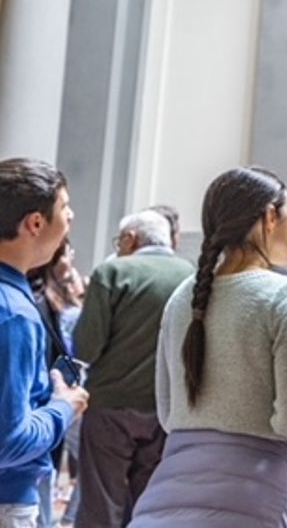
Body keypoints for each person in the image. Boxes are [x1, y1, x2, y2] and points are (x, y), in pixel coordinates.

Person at [129, 167, 287, 527]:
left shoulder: (183, 298)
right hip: (257, 501)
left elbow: (169, 413)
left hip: (164, 502)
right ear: (270, 217)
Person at [73, 210, 193, 527]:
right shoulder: (191, 276)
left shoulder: (112, 272)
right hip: (165, 409)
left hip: (110, 406)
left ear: (130, 239)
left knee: (101, 504)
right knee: (150, 505)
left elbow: (86, 347)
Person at [0, 158, 90, 528]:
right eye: (65, 207)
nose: (71, 217)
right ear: (35, 223)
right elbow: (9, 441)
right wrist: (64, 406)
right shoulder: (13, 313)